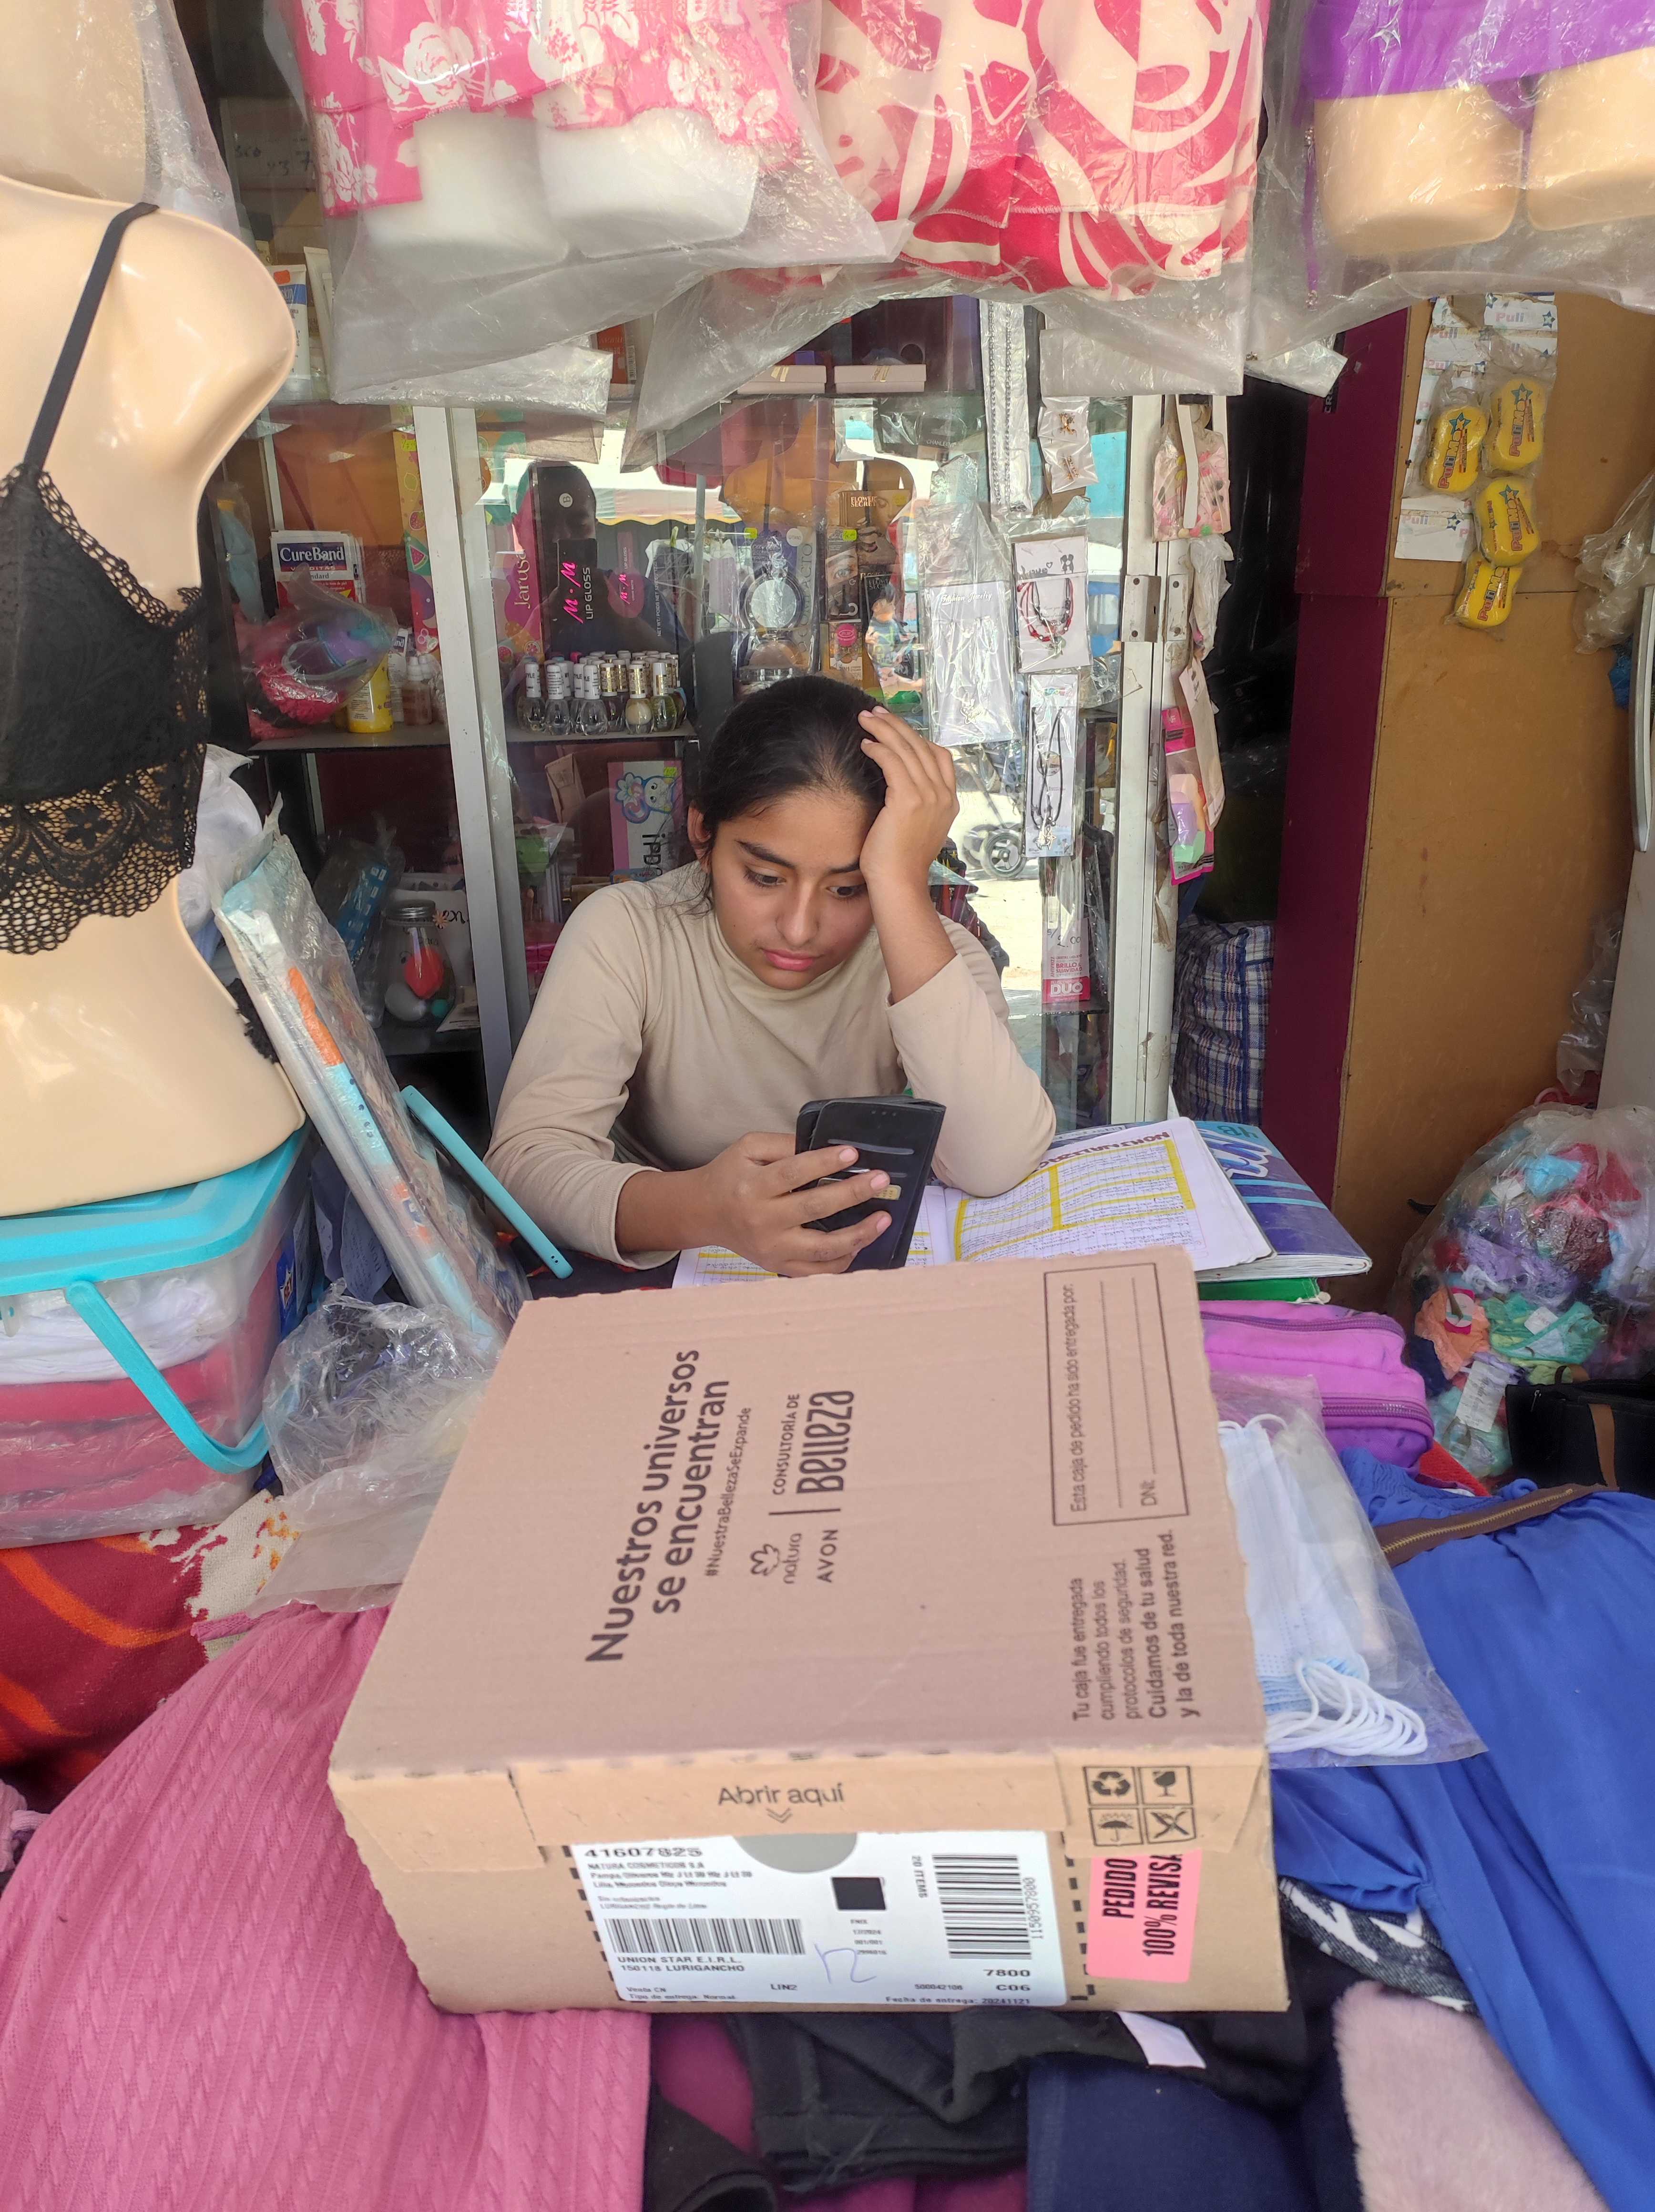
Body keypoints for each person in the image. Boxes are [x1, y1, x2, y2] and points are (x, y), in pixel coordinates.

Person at [487, 676, 1056, 1275]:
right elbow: (524, 1164)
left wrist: (899, 884)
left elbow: (995, 1160)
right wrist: (703, 1209)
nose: (799, 929)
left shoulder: (932, 955)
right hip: (662, 1291)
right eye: (764, 878)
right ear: (703, 835)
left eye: (848, 887)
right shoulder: (630, 932)